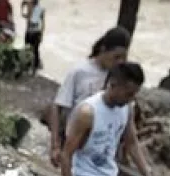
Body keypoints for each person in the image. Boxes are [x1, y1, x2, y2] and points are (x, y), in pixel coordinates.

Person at [47, 27, 130, 167]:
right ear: (103, 50)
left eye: (123, 58)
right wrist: (55, 145)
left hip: (100, 147)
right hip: (74, 141)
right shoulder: (80, 71)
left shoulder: (117, 78)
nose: (119, 62)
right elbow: (57, 106)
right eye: (116, 57)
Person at [22, 0, 44, 73]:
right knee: (30, 49)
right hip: (31, 31)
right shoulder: (32, 7)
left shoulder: (39, 9)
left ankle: (34, 67)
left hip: (34, 32)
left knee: (34, 50)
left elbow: (41, 22)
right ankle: (31, 66)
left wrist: (41, 34)